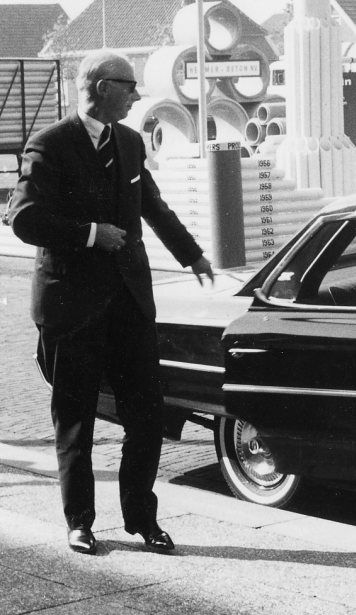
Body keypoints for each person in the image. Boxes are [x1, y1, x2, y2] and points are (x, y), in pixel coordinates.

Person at [6, 51, 214, 556]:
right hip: (72, 307)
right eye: (129, 85)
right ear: (100, 87)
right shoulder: (49, 145)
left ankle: (142, 520)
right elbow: (23, 219)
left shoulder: (129, 140)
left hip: (128, 303)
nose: (138, 94)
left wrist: (193, 256)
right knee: (75, 417)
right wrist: (91, 234)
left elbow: (153, 207)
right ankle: (80, 521)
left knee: (146, 413)